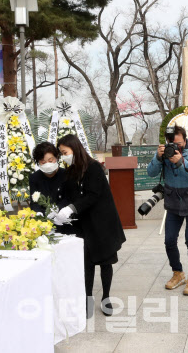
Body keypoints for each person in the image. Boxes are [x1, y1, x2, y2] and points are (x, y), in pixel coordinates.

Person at [54, 134, 126, 317]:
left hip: (102, 223)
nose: (64, 157)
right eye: (61, 154)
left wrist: (72, 207)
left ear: (75, 148)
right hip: (83, 225)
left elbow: (93, 195)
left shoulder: (94, 168)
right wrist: (61, 210)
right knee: (86, 264)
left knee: (105, 262)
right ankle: (87, 299)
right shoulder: (70, 172)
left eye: (65, 152)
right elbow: (69, 196)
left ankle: (107, 297)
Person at [146, 125, 188, 296]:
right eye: (172, 144)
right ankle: (177, 273)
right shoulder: (164, 152)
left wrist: (180, 162)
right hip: (173, 201)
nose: (175, 147)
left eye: (178, 144)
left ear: (184, 139)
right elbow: (150, 173)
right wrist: (158, 157)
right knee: (169, 240)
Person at [29, 142, 75, 235]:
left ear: (57, 158)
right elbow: (34, 201)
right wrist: (38, 213)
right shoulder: (34, 178)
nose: (47, 164)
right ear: (38, 163)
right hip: (44, 224)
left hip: (65, 221)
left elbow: (69, 198)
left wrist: (57, 209)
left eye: (50, 160)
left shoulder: (67, 175)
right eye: (43, 162)